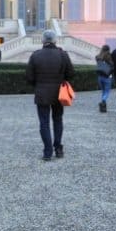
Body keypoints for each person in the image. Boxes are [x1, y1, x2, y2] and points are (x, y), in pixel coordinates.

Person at [26, 29, 75, 161]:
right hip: (59, 93)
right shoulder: (63, 55)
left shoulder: (36, 55)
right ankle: (58, 148)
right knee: (58, 120)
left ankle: (47, 151)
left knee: (44, 123)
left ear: (43, 40)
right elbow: (71, 74)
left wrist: (38, 84)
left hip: (42, 92)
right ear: (55, 40)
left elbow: (29, 77)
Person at [95, 44, 114, 113]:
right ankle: (103, 101)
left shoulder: (98, 57)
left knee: (103, 91)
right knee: (107, 91)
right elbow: (112, 66)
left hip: (100, 76)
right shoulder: (109, 57)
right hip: (107, 76)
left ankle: (103, 106)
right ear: (108, 50)